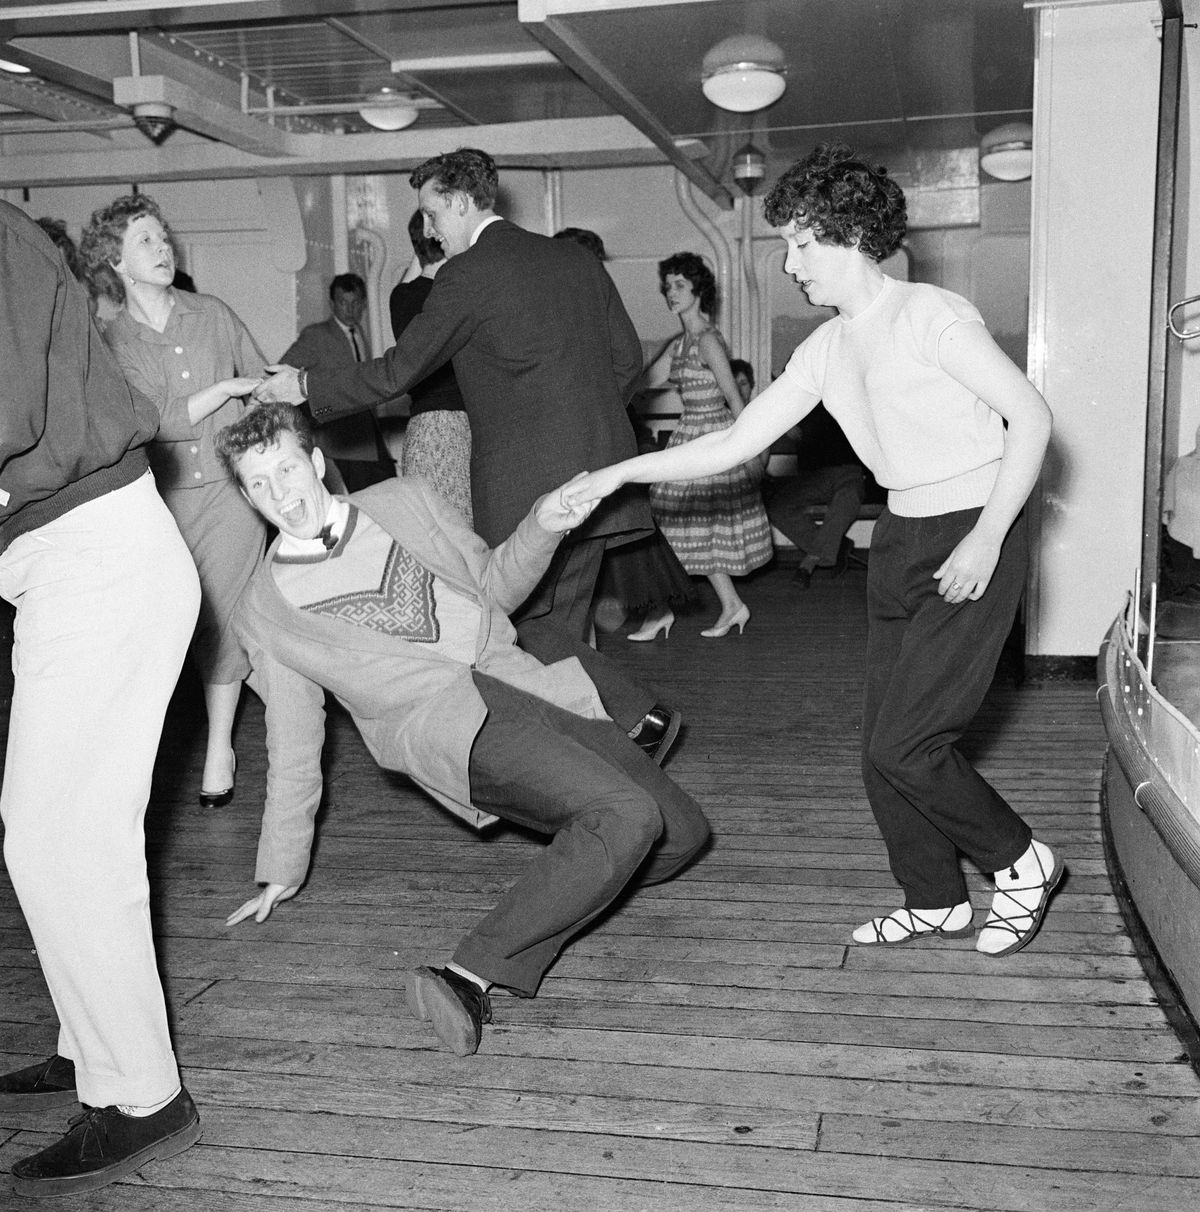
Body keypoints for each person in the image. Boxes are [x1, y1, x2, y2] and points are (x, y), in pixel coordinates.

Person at [565, 143, 1058, 958]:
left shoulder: (931, 315)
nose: (789, 264)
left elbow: (1032, 420)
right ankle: (934, 899)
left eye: (801, 243)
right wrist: (614, 473)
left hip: (975, 529)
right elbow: (727, 442)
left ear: (851, 235)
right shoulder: (824, 350)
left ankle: (1022, 861)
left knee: (911, 744)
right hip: (902, 535)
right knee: (880, 749)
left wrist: (986, 538)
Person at [216, 403, 710, 1056]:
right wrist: (280, 862)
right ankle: (467, 974)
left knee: (680, 836)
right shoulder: (266, 610)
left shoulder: (404, 501)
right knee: (625, 816)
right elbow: (294, 739)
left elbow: (493, 588)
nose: (280, 493)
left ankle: (575, 873)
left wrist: (542, 525)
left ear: (313, 462)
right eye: (259, 483)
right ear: (247, 495)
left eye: (285, 469)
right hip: (440, 725)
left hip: (522, 680)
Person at [254, 147, 680, 763]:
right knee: (554, 626)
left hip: (525, 485)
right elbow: (625, 361)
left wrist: (304, 387)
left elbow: (400, 369)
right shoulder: (573, 258)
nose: (428, 230)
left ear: (457, 202)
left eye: (429, 213)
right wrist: (575, 423)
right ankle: (606, 743)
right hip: (603, 469)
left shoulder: (468, 273)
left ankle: (634, 725)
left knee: (521, 622)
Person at [0, 200, 202, 1196]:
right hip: (76, 558)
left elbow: (8, 414)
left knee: (63, 837)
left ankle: (141, 1094)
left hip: (97, 557)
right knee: (46, 831)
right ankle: (92, 1048)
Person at [81, 193, 266, 809]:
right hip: (161, 503)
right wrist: (220, 391)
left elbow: (262, 386)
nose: (163, 250)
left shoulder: (211, 313)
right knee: (168, 626)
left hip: (232, 500)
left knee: (224, 621)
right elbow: (148, 423)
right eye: (145, 242)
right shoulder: (113, 340)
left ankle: (220, 746)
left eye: (164, 238)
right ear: (117, 261)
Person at [553, 226, 696, 640]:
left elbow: (623, 365)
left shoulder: (585, 307)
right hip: (603, 421)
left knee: (618, 520)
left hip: (603, 422)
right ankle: (653, 609)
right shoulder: (590, 303)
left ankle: (650, 610)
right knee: (613, 520)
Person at [643, 253, 772, 638]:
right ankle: (728, 606)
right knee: (687, 526)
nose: (671, 293)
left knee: (683, 523)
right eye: (668, 286)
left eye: (679, 285)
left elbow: (735, 400)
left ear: (698, 289)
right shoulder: (680, 343)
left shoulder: (707, 340)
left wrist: (752, 451)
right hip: (689, 433)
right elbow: (645, 382)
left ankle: (667, 610)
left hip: (713, 436)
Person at [736, 358, 869, 590]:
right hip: (813, 479)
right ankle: (836, 549)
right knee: (779, 508)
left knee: (847, 499)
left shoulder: (840, 396)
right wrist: (786, 424)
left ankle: (809, 563)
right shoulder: (792, 406)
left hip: (849, 473)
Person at [389, 210, 472, 523]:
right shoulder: (456, 296)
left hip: (425, 429)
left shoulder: (403, 297)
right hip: (453, 430)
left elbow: (417, 271)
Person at [281, 272, 395, 493]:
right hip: (339, 439)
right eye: (344, 303)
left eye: (355, 303)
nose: (350, 310)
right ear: (332, 303)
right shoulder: (316, 335)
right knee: (365, 500)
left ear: (363, 304)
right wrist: (314, 418)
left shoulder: (358, 332)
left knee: (389, 491)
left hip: (367, 433)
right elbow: (284, 373)